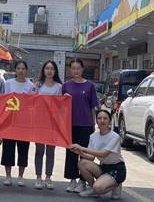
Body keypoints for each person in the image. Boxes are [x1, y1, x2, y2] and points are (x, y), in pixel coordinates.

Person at [62, 58, 99, 193]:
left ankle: (83, 181)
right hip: (70, 125)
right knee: (71, 153)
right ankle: (72, 180)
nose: (76, 71)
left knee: (84, 154)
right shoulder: (66, 86)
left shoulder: (89, 86)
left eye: (78, 68)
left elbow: (93, 107)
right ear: (70, 70)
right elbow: (60, 106)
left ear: (82, 69)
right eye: (73, 68)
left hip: (86, 125)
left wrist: (93, 124)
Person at [70, 110, 125, 199]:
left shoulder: (115, 136)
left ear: (110, 121)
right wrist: (80, 152)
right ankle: (94, 189)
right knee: (82, 163)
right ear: (96, 121)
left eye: (105, 118)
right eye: (99, 118)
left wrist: (82, 148)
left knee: (99, 188)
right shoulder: (93, 136)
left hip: (117, 169)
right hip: (103, 167)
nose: (102, 120)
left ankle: (116, 184)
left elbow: (104, 154)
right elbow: (91, 157)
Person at [1, 60, 35, 187]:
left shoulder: (31, 86)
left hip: (24, 123)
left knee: (23, 149)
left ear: (26, 70)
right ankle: (8, 176)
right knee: (8, 149)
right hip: (10, 121)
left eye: (23, 68)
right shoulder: (8, 84)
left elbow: (34, 104)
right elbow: (4, 101)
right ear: (15, 70)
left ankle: (20, 176)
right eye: (18, 68)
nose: (21, 71)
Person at [33, 60, 63, 190]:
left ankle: (48, 177)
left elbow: (61, 105)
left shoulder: (59, 87)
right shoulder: (38, 86)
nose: (49, 71)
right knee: (39, 151)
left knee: (51, 151)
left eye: (52, 69)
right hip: (39, 123)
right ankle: (38, 177)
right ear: (43, 70)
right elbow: (31, 102)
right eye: (47, 68)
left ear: (55, 71)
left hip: (52, 124)